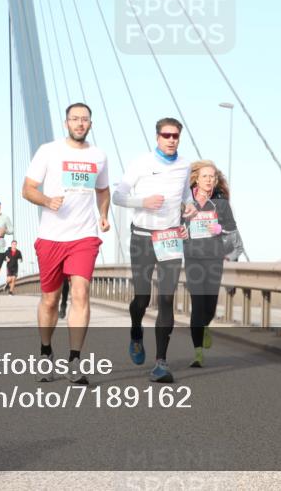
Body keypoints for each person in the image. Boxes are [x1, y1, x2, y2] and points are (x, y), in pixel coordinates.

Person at [22, 102, 110, 385]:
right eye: (75, 119)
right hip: (51, 237)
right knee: (50, 300)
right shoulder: (48, 151)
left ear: (90, 124)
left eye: (85, 119)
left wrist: (104, 215)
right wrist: (47, 200)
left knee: (81, 293)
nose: (80, 123)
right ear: (66, 123)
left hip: (84, 236)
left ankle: (74, 360)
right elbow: (27, 189)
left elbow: (103, 189)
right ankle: (45, 352)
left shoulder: (99, 156)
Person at [113, 117, 196, 383]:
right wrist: (143, 201)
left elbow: (186, 196)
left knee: (167, 298)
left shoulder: (185, 165)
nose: (171, 140)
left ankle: (161, 362)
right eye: (166, 135)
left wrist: (190, 207)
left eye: (175, 136)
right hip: (142, 237)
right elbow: (118, 196)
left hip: (169, 237)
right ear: (157, 137)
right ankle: (136, 331)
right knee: (142, 298)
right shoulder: (141, 163)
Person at [183, 160, 237, 369]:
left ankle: (205, 326)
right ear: (196, 179)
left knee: (210, 308)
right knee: (197, 305)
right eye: (204, 176)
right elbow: (176, 224)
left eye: (212, 177)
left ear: (215, 180)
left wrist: (219, 229)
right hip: (193, 259)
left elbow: (231, 229)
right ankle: (197, 353)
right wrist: (181, 231)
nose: (208, 180)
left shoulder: (221, 203)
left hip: (214, 259)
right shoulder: (187, 202)